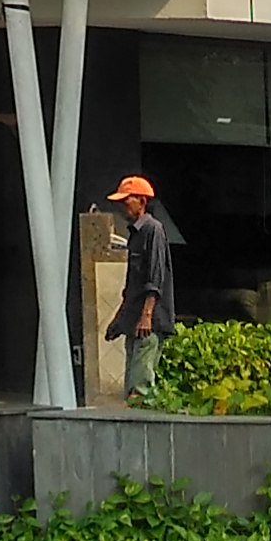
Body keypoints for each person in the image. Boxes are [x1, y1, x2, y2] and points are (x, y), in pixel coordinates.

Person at [103, 173, 176, 404]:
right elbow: (132, 286)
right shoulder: (135, 234)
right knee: (131, 386)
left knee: (140, 387)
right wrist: (119, 320)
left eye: (127, 201)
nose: (124, 206)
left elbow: (154, 279)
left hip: (148, 323)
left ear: (142, 201)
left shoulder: (152, 230)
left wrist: (146, 316)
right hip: (136, 321)